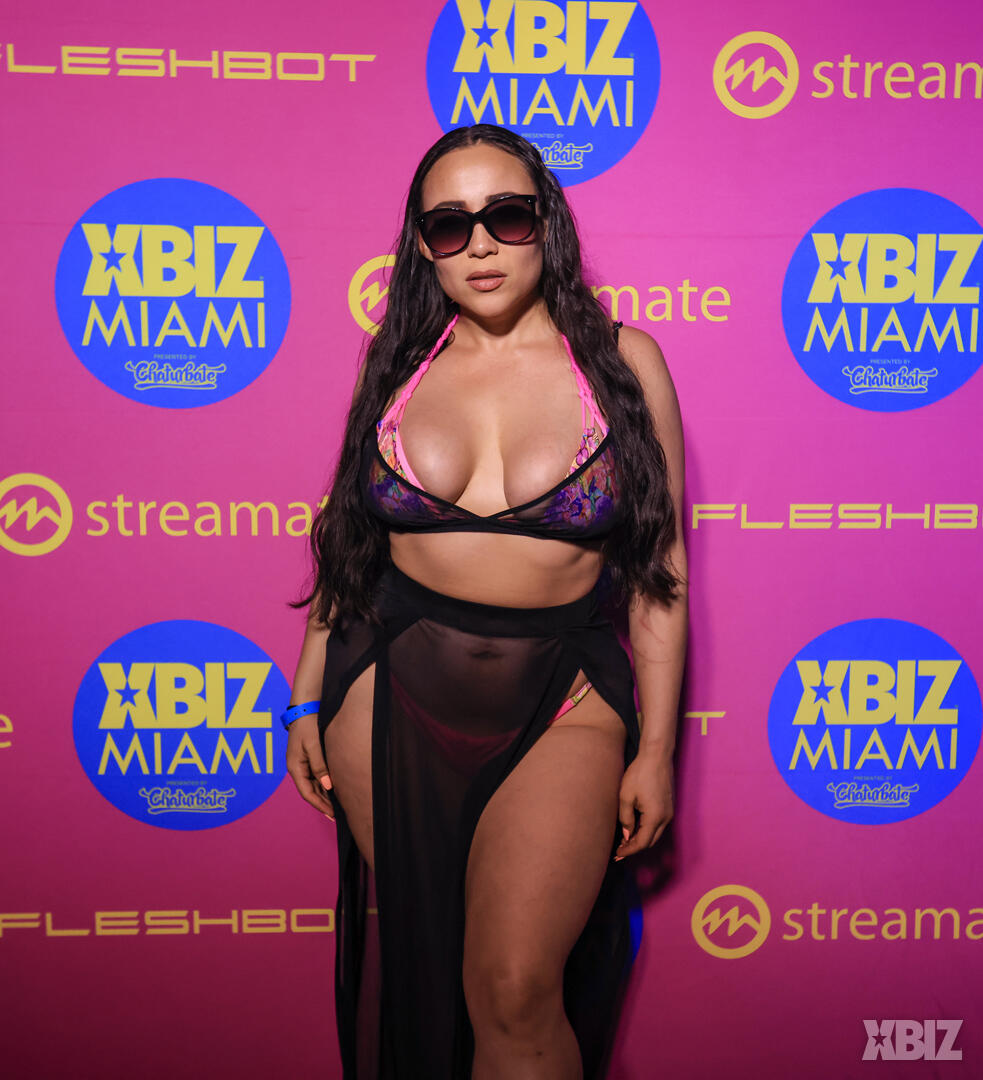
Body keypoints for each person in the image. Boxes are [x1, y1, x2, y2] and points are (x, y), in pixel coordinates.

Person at [285, 123, 687, 1080]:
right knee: (430, 967)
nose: (479, 245)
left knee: (512, 988)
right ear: (422, 246)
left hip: (564, 699)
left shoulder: (624, 363)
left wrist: (658, 750)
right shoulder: (395, 361)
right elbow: (350, 547)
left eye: (506, 216)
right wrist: (304, 698)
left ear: (546, 223)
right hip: (385, 690)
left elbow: (658, 578)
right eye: (448, 225)